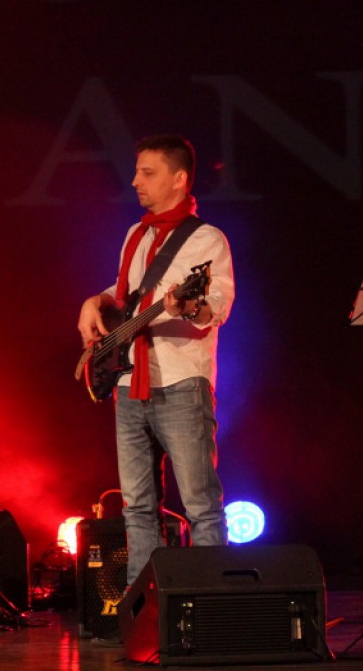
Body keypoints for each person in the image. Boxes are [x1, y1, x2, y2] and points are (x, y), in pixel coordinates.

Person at [77, 134, 235, 589]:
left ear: (179, 179)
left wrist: (187, 306)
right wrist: (95, 300)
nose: (135, 181)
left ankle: (209, 606)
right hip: (129, 385)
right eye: (137, 171)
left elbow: (216, 307)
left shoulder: (206, 240)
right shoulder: (137, 234)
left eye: (147, 173)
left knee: (201, 507)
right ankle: (142, 611)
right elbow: (126, 294)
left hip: (181, 383)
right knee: (137, 509)